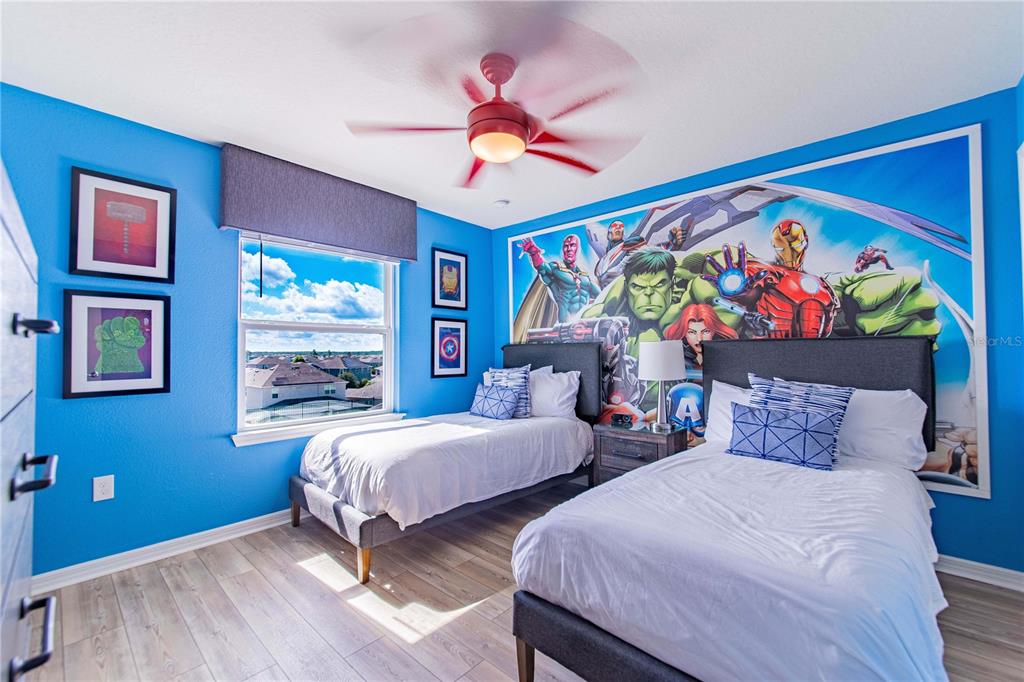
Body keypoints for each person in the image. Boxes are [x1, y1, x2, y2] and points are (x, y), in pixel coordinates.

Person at [519, 234, 601, 322]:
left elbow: (600, 296)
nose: (569, 249)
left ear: (578, 249)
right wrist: (534, 253)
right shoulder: (556, 269)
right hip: (566, 323)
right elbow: (542, 268)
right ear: (563, 250)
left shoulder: (584, 276)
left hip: (585, 323)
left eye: (572, 245)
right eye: (566, 246)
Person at [664, 303, 738, 369]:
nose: (699, 339)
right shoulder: (677, 359)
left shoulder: (726, 357)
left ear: (713, 332)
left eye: (706, 331)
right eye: (692, 332)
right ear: (684, 334)